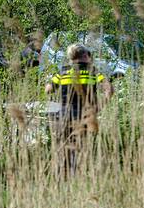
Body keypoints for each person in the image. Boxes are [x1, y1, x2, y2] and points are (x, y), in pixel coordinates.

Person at [46, 43, 109, 173]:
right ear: (85, 55)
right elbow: (110, 90)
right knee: (81, 148)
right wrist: (99, 107)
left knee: (64, 148)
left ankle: (63, 178)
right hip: (84, 115)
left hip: (64, 115)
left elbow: (48, 90)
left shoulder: (63, 71)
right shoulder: (94, 72)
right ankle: (76, 177)